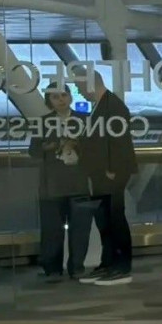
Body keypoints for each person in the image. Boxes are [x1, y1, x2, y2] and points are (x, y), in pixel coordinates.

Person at [75, 71, 138, 286]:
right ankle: (109, 263)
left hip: (111, 173)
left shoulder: (113, 107)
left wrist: (112, 169)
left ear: (91, 84)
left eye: (80, 87)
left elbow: (119, 142)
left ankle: (121, 267)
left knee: (115, 218)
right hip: (102, 173)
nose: (80, 92)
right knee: (105, 219)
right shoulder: (102, 105)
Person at [28, 84, 90, 282]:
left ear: (70, 97)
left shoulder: (86, 120)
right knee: (52, 229)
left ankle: (77, 267)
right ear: (49, 101)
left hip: (79, 182)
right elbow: (33, 152)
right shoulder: (42, 122)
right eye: (55, 97)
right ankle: (53, 269)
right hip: (52, 184)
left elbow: (95, 149)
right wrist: (47, 148)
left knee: (80, 229)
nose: (61, 99)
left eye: (64, 95)